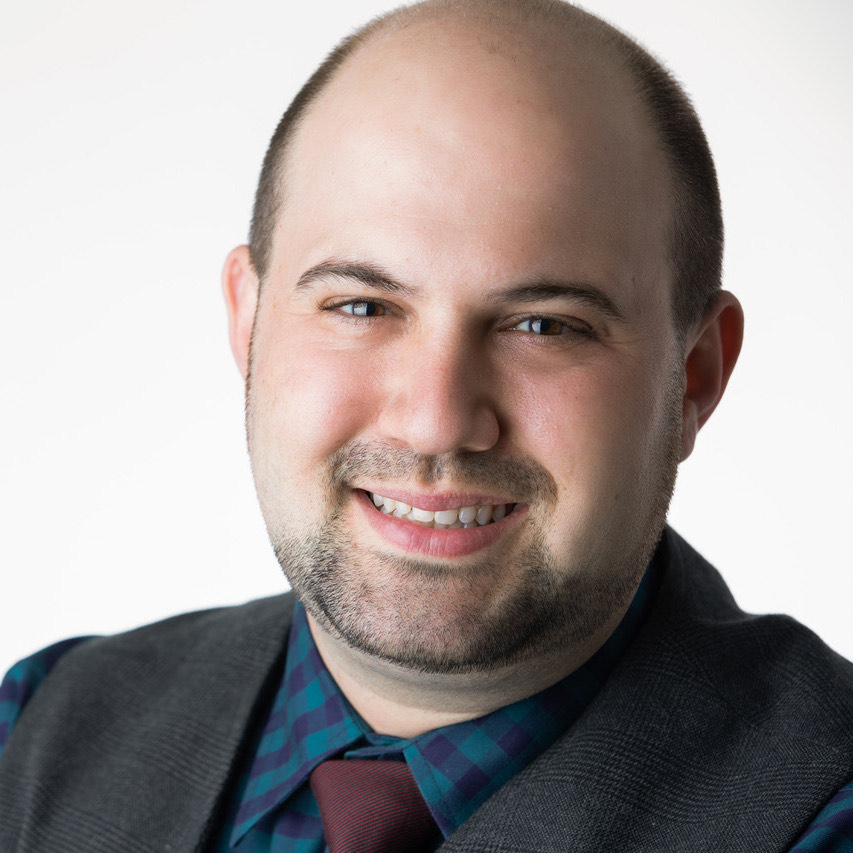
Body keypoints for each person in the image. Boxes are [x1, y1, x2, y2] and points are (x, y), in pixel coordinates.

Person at [1, 0, 851, 850]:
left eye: (543, 325)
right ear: (247, 322)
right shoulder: (37, 729)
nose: (436, 422)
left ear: (694, 375)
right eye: (361, 306)